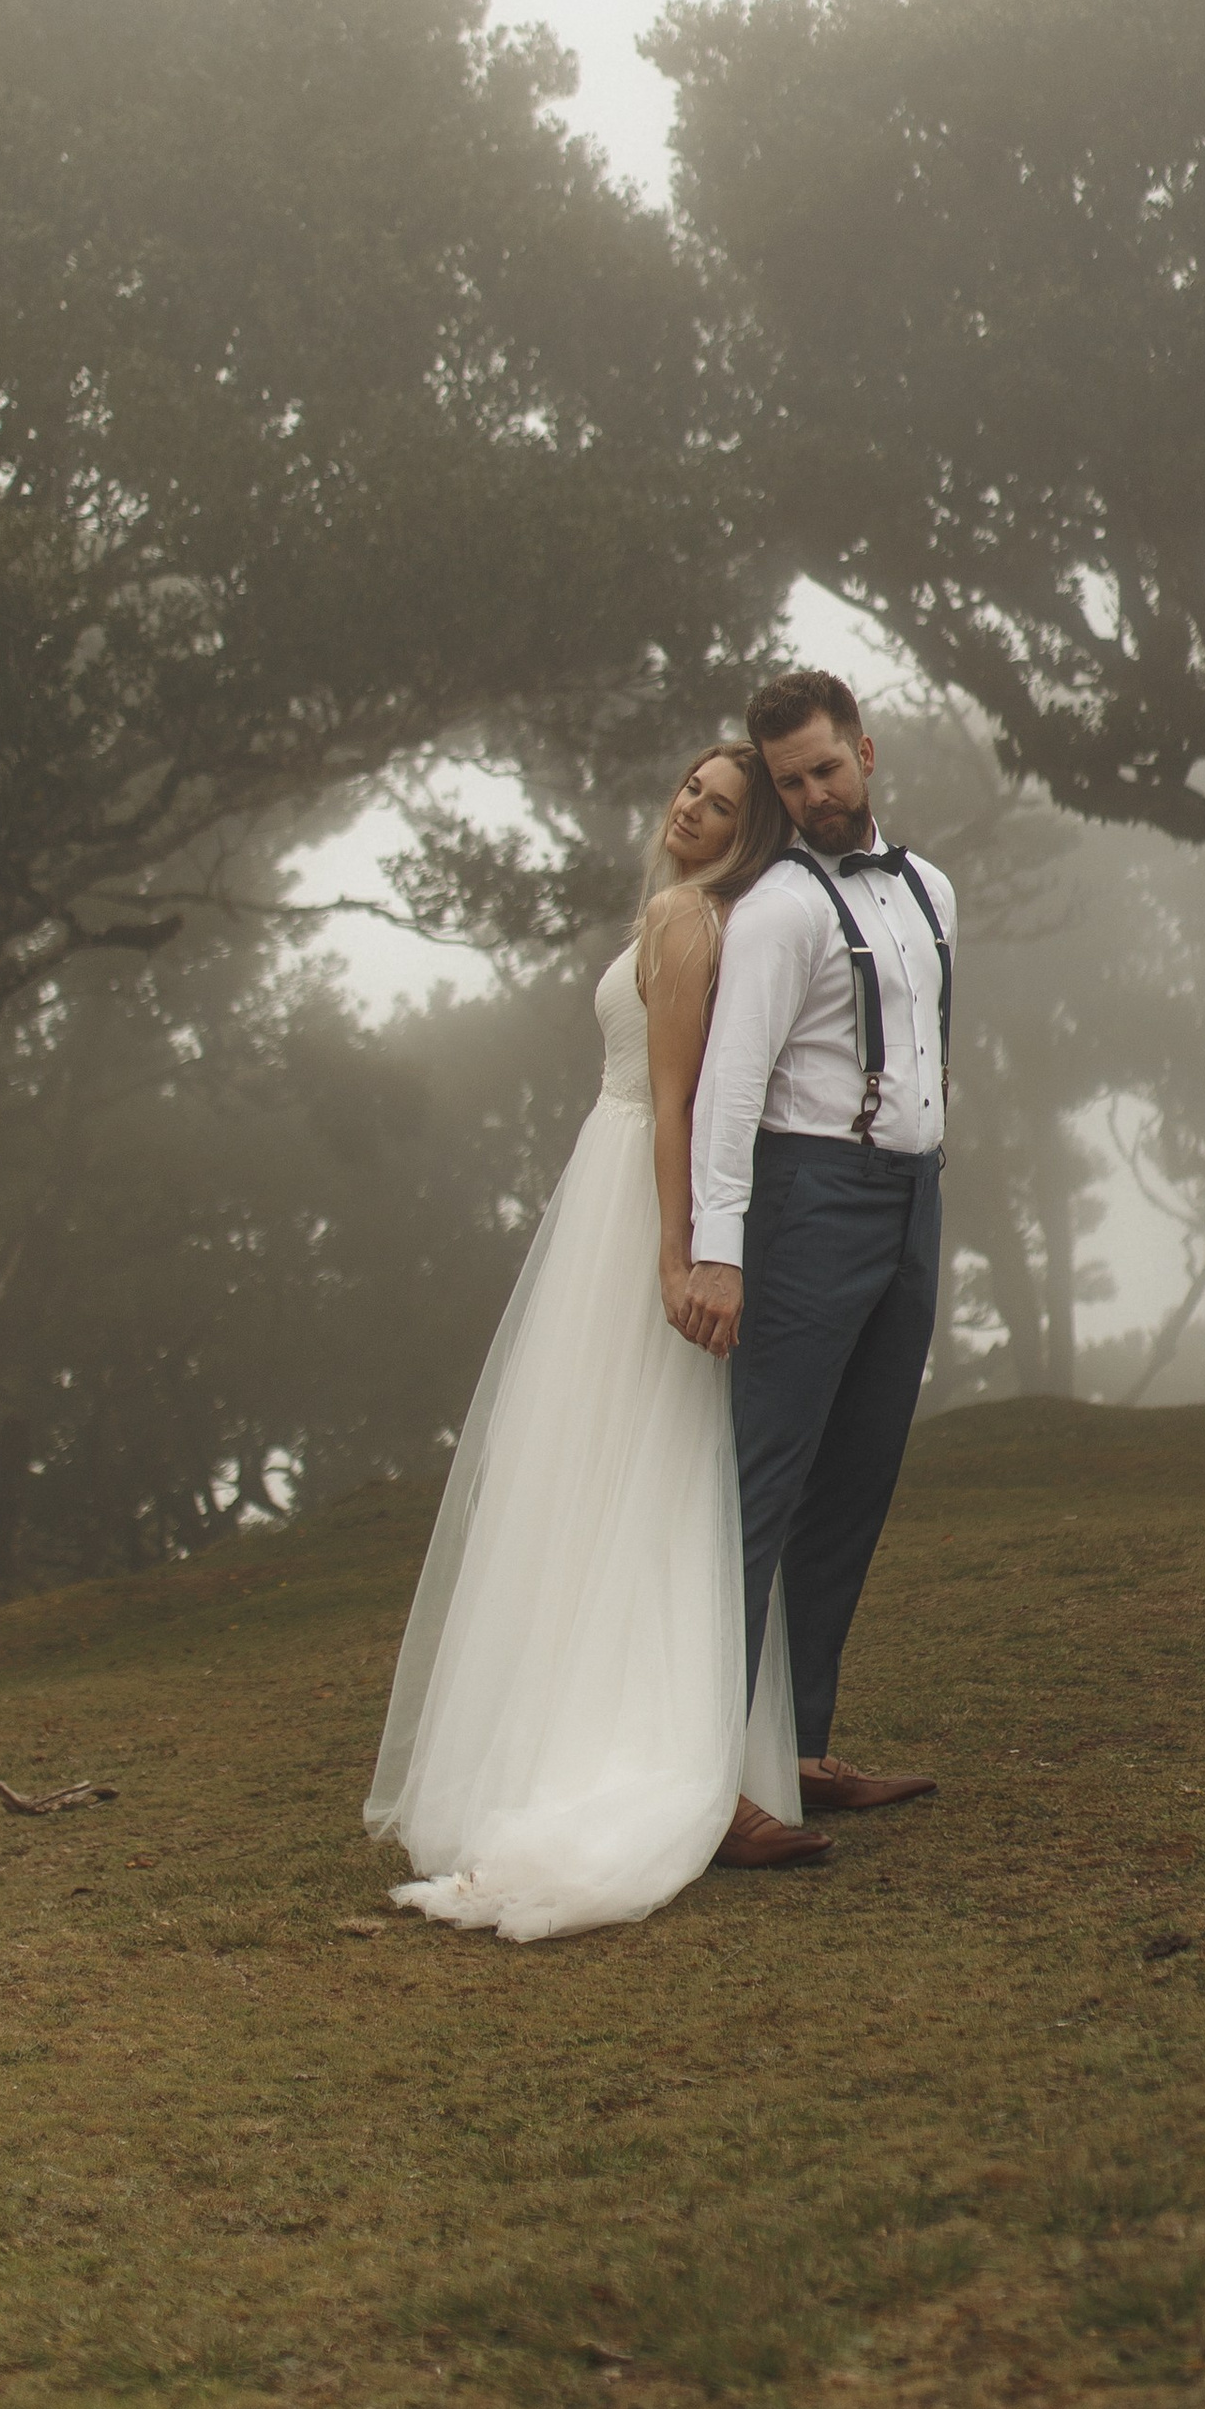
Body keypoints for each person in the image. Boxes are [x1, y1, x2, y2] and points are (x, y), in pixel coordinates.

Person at [363, 742, 828, 1944]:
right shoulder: (690, 912)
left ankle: (633, 1748)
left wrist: (676, 1254)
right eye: (686, 787)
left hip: (636, 1188)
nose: (689, 807)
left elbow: (673, 1098)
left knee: (633, 1455)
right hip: (613, 1179)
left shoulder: (687, 917)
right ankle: (605, 1727)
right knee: (607, 1462)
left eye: (719, 805)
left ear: (747, 831)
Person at [680, 670, 952, 1823]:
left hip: (909, 1197)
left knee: (855, 1481)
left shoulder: (932, 887)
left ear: (868, 754)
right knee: (764, 1489)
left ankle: (797, 1748)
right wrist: (719, 1248)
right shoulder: (780, 909)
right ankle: (707, 1782)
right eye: (789, 782)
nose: (812, 797)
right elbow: (730, 1087)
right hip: (806, 1200)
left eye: (826, 770)